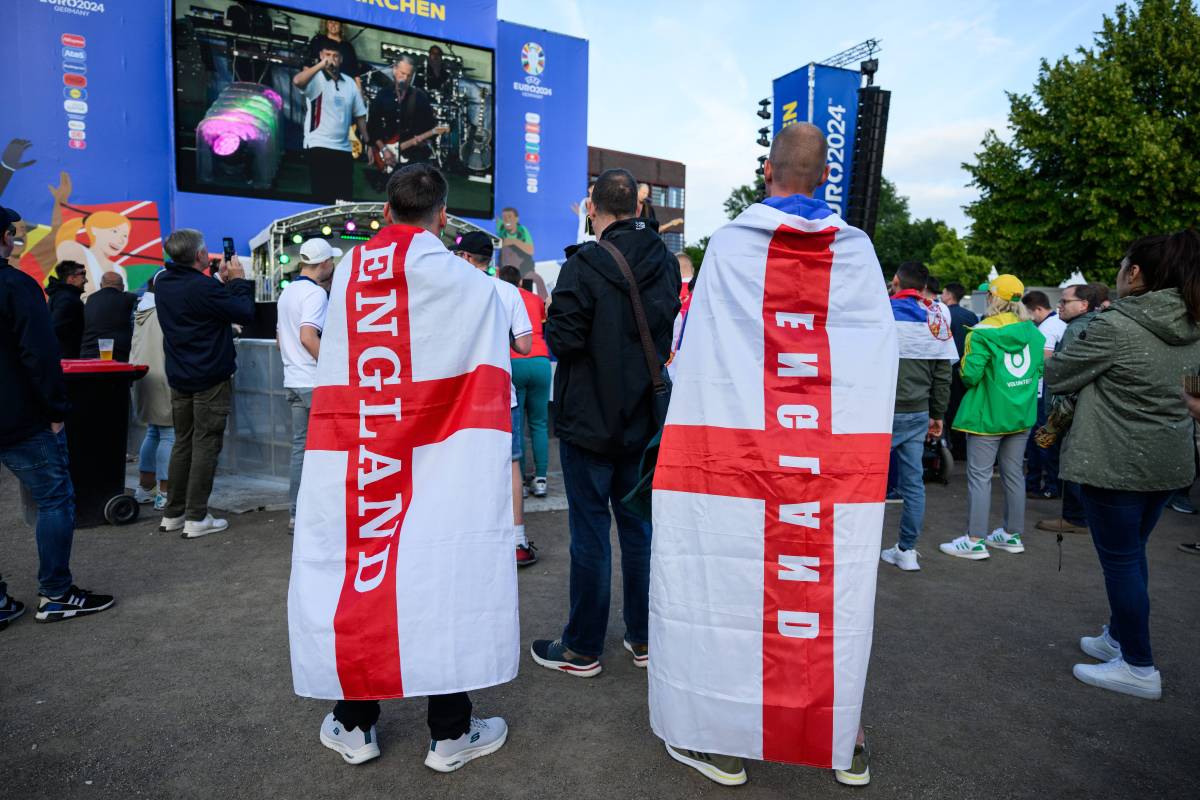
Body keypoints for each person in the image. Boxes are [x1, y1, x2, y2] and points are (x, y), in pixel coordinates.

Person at [648, 122, 889, 787]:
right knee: (828, 587)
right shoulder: (857, 252)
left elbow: (694, 351)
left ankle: (720, 741)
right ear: (826, 179)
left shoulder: (728, 246)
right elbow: (875, 357)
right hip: (829, 455)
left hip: (737, 453)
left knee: (726, 587)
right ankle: (848, 739)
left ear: (767, 171)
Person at [288, 164, 515, 772]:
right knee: (439, 573)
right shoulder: (469, 283)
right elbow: (489, 369)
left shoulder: (351, 274)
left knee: (366, 566)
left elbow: (336, 359)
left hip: (363, 451)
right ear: (442, 216)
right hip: (442, 455)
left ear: (387, 211)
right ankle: (449, 731)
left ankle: (355, 721)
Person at [530, 168, 680, 678]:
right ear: (636, 208)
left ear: (593, 207)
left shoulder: (586, 264)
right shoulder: (665, 260)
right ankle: (644, 638)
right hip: (644, 416)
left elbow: (565, 342)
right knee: (638, 529)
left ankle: (582, 648)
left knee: (591, 532)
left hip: (589, 419)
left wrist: (554, 316)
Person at [1045, 230, 1200, 700]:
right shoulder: (1194, 323)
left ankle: (1138, 664)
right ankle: (1120, 636)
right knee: (1133, 554)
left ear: (1135, 274)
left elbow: (1058, 375)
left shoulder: (1116, 326)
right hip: (1168, 462)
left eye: (1122, 265)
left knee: (1122, 561)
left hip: (1115, 463)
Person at [0, 207, 114, 629]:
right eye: (12, 233)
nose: (14, 239)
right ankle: (57, 593)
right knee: (54, 499)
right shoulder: (15, 285)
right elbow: (40, 353)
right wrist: (55, 410)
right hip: (21, 417)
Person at [154, 229, 255, 539]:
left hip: (180, 374)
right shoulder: (201, 287)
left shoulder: (164, 282)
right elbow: (244, 312)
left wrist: (219, 284)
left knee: (183, 441)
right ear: (200, 256)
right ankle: (196, 516)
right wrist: (237, 280)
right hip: (209, 375)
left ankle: (173, 512)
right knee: (206, 443)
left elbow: (205, 305)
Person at [940, 275, 1045, 560]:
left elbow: (970, 376)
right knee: (1013, 475)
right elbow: (1037, 372)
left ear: (992, 298)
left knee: (980, 478)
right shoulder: (1033, 332)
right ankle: (1012, 535)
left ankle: (975, 540)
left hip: (988, 415)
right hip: (1020, 415)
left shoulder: (982, 331)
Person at [452, 233, 535, 565]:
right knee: (511, 464)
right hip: (500, 393)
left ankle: (469, 538)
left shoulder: (453, 290)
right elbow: (526, 346)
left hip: (460, 394)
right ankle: (517, 540)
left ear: (467, 257)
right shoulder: (508, 291)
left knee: (463, 464)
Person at [880, 261, 955, 572]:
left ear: (896, 281)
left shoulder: (879, 312)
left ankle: (852, 546)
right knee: (913, 485)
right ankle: (907, 550)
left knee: (863, 483)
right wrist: (937, 415)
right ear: (925, 287)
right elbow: (943, 374)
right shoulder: (935, 316)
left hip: (879, 413)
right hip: (918, 412)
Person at [277, 238, 339, 533]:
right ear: (325, 263)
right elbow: (307, 337)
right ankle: (320, 515)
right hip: (314, 382)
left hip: (293, 379)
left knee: (301, 450)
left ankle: (296, 514)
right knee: (330, 451)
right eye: (332, 262)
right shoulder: (316, 295)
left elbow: (281, 340)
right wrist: (331, 368)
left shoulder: (288, 292)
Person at [1035, 283, 1106, 535]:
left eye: (1065, 301)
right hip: (1084, 409)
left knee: (1069, 463)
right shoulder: (1094, 323)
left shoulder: (1077, 328)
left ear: (1084, 305)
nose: (1059, 306)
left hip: (1071, 411)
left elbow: (1067, 374)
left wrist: (1056, 415)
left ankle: (1077, 518)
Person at [500, 265, 552, 499]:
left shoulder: (499, 295)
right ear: (520, 282)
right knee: (540, 423)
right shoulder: (534, 299)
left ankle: (519, 483)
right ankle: (541, 479)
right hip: (541, 361)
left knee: (516, 423)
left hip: (515, 362)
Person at [293, 46, 369, 204]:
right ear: (321, 55)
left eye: (335, 56)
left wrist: (368, 143)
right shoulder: (316, 79)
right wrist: (322, 65)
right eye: (327, 55)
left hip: (343, 149)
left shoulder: (349, 83)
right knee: (322, 198)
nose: (331, 59)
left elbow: (360, 114)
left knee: (344, 200)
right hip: (319, 144)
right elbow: (297, 81)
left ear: (341, 59)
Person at [130, 271, 174, 512]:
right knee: (169, 434)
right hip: (163, 377)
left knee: (154, 432)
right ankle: (165, 493)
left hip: (143, 376)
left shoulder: (142, 309)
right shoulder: (164, 312)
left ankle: (145, 488)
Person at [1022, 290, 1068, 499]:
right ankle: (1048, 483)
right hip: (1056, 391)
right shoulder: (1059, 322)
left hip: (1043, 392)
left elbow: (1044, 362)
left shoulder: (1047, 327)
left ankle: (1046, 485)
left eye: (1029, 314)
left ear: (1038, 309)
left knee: (1040, 439)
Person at [367, 55, 439, 175]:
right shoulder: (383, 95)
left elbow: (430, 126)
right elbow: (373, 126)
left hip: (413, 155)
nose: (405, 78)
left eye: (409, 75)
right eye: (402, 73)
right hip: (388, 151)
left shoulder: (419, 97)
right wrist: (384, 149)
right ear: (394, 70)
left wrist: (424, 140)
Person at [54, 210, 131, 298]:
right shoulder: (76, 251)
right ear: (94, 229)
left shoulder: (120, 270)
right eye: (114, 231)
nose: (121, 240)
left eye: (125, 235)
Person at [942, 281, 979, 459]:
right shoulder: (971, 315)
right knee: (966, 406)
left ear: (949, 295)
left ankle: (954, 448)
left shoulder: (943, 313)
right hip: (968, 368)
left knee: (950, 409)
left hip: (948, 368)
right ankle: (964, 447)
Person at [80, 271, 136, 361]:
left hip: (88, 353)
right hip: (117, 355)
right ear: (123, 287)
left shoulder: (90, 299)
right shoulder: (129, 299)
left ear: (101, 285)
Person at [45, 260, 87, 358]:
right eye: (83, 275)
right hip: (67, 360)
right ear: (71, 278)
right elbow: (54, 328)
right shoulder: (68, 300)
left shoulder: (58, 296)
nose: (86, 280)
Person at [304, 18, 362, 83]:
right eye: (330, 22)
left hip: (342, 85)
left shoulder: (347, 46)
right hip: (318, 82)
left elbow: (355, 72)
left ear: (341, 26)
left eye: (336, 23)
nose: (333, 25)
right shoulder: (318, 40)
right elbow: (308, 64)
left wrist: (359, 91)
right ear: (326, 24)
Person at [495, 207, 534, 276]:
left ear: (516, 219)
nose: (507, 219)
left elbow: (531, 250)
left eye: (510, 217)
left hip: (522, 270)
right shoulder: (501, 227)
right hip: (504, 271)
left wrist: (513, 241)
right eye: (504, 217)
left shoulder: (522, 230)